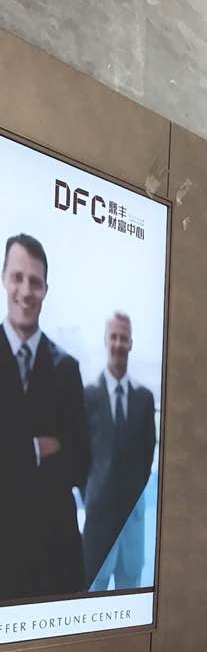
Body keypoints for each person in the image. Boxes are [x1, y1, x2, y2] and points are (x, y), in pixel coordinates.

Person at [0, 233, 89, 602]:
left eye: (35, 282)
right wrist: (36, 449)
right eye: (17, 277)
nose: (26, 291)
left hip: (54, 557)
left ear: (46, 290)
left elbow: (79, 462)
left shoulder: (67, 369)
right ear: (3, 279)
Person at [83, 312, 156, 590]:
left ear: (131, 343)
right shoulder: (88, 397)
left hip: (132, 529)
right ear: (105, 340)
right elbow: (80, 457)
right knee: (92, 605)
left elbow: (147, 457)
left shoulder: (145, 399)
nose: (118, 343)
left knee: (131, 600)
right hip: (98, 527)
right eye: (113, 337)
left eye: (123, 338)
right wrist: (95, 496)